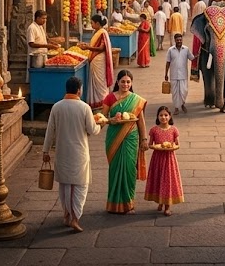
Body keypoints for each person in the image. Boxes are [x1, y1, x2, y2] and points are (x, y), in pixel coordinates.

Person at [42, 75, 101, 232]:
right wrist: (100, 124)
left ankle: (66, 214)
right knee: (80, 186)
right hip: (79, 153)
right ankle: (74, 218)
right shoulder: (84, 107)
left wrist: (45, 150)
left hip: (62, 152)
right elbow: (92, 130)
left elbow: (50, 131)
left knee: (65, 186)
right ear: (79, 90)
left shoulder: (57, 107)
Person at [102, 69, 148, 214]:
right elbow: (101, 119)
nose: (125, 84)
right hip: (113, 137)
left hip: (131, 138)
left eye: (128, 82)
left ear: (131, 83)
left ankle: (128, 203)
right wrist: (111, 120)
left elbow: (141, 121)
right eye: (123, 81)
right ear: (117, 82)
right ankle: (113, 204)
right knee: (115, 170)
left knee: (129, 170)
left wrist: (144, 139)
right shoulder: (109, 98)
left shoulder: (136, 99)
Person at [145, 106, 184, 216]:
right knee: (158, 179)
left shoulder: (174, 129)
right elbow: (150, 144)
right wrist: (157, 147)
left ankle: (167, 206)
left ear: (170, 116)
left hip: (169, 159)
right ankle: (160, 202)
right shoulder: (154, 130)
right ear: (157, 117)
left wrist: (171, 147)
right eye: (161, 115)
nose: (163, 117)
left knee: (168, 180)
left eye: (166, 115)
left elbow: (177, 144)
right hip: (157, 159)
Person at [80, 13, 114, 110]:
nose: (92, 25)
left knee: (100, 82)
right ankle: (97, 102)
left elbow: (101, 48)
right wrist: (87, 46)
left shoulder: (102, 32)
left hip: (99, 60)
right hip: (96, 59)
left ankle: (102, 101)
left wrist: (87, 47)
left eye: (92, 23)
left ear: (98, 23)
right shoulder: (98, 32)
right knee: (96, 81)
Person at [26, 9, 63, 76]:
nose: (45, 20)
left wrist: (54, 42)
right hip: (36, 57)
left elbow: (46, 39)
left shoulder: (40, 27)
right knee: (36, 75)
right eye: (43, 18)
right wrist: (48, 46)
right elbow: (31, 44)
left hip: (43, 55)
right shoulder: (32, 28)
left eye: (46, 18)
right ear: (37, 18)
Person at [165, 32, 195, 114]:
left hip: (183, 75)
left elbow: (192, 58)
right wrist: (166, 74)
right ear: (175, 40)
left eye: (180, 40)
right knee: (175, 93)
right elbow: (168, 62)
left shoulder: (186, 49)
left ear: (182, 40)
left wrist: (198, 54)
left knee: (184, 91)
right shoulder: (171, 50)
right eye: (177, 40)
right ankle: (176, 108)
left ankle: (182, 104)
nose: (179, 41)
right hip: (173, 75)